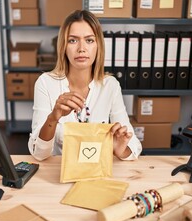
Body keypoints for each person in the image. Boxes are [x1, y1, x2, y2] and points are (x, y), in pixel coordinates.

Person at [28, 10, 142, 161]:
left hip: (94, 171)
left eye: (89, 40)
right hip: (57, 173)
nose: (81, 48)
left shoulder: (110, 86)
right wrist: (53, 118)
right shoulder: (45, 83)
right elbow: (39, 154)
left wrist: (119, 149)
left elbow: (134, 147)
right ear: (63, 46)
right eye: (73, 40)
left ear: (98, 46)